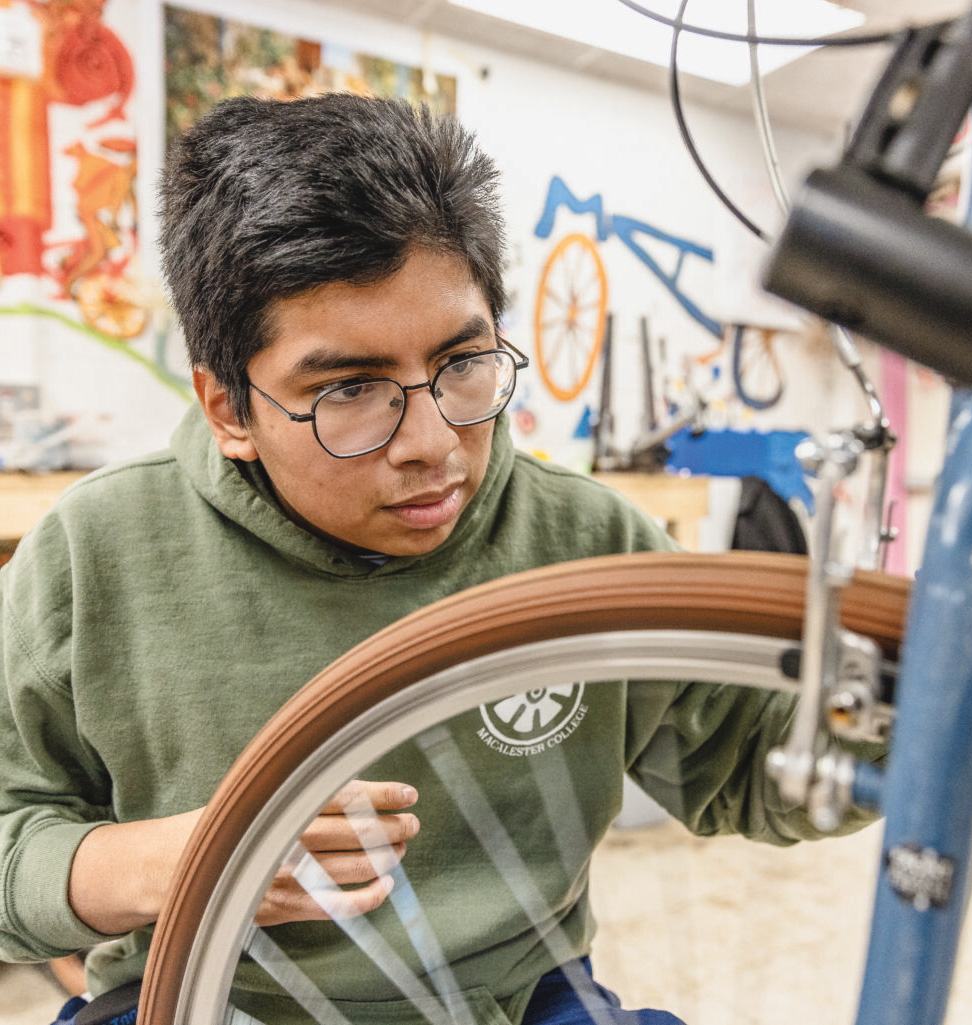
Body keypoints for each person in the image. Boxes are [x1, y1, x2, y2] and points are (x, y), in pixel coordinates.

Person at [0, 93, 875, 1025]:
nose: (431, 442)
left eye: (463, 362)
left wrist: (902, 714)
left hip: (516, 999)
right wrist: (193, 860)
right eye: (348, 388)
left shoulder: (590, 548)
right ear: (228, 409)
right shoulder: (94, 555)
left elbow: (753, 770)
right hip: (204, 993)